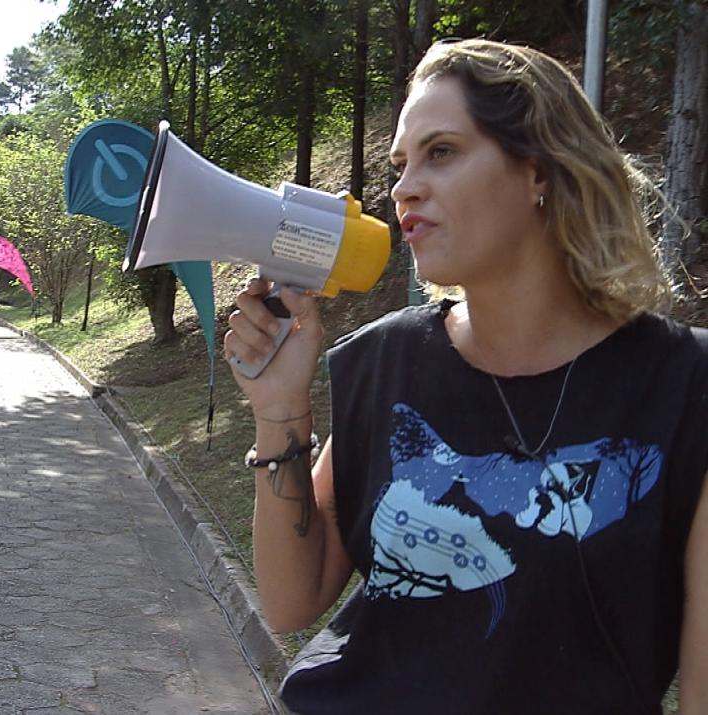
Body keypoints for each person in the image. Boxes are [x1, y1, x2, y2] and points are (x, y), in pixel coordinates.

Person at [223, 39, 706, 714]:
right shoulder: (382, 359)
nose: (402, 187)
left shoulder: (686, 384)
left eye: (441, 152)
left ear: (538, 166)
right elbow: (289, 601)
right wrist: (278, 409)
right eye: (400, 164)